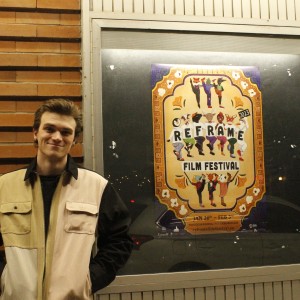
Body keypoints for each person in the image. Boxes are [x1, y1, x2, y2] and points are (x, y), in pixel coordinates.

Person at [0, 99, 133, 299]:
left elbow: (119, 242)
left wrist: (88, 281)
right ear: (35, 133)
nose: (56, 137)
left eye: (65, 132)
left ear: (75, 139)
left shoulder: (97, 187)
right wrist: (4, 279)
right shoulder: (4, 186)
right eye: (49, 129)